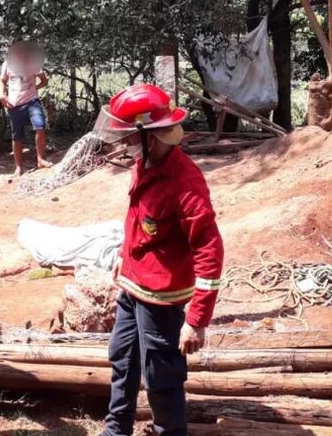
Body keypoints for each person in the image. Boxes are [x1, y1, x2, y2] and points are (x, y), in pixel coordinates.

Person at [92, 84, 224, 436]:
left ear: (150, 137)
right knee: (122, 360)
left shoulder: (186, 185)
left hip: (161, 301)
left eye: (129, 139)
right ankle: (116, 429)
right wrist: (124, 254)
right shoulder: (146, 163)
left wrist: (196, 319)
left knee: (161, 378)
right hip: (132, 286)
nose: (124, 146)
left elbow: (210, 251)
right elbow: (138, 214)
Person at [0, 41, 52, 176]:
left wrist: (34, 88)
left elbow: (44, 80)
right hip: (14, 105)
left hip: (32, 102)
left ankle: (40, 160)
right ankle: (18, 167)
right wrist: (2, 95)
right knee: (17, 136)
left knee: (40, 127)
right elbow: (2, 81)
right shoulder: (7, 64)